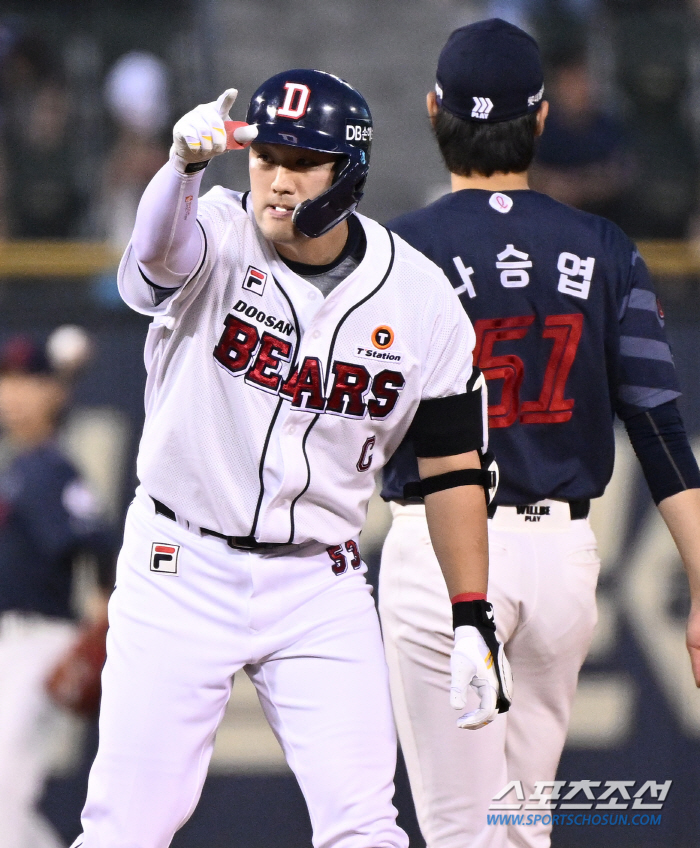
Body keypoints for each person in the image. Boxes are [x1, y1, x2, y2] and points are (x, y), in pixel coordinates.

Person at [69, 69, 511, 848]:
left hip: (318, 581)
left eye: (301, 160)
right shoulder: (211, 226)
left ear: (349, 173)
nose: (275, 180)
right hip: (181, 565)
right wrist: (180, 171)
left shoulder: (420, 298)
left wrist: (471, 610)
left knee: (366, 828)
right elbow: (151, 265)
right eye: (264, 156)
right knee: (125, 828)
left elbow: (451, 466)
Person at [379, 18, 700, 848]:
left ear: (432, 111)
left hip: (443, 553)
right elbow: (660, 428)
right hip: (560, 559)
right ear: (543, 119)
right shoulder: (605, 247)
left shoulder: (397, 254)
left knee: (462, 833)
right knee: (523, 828)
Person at [0, 328, 115, 848]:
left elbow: (95, 537)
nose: (12, 391)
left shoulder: (50, 468)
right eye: (7, 378)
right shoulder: (25, 464)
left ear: (54, 391)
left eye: (28, 379)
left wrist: (104, 598)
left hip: (36, 641)